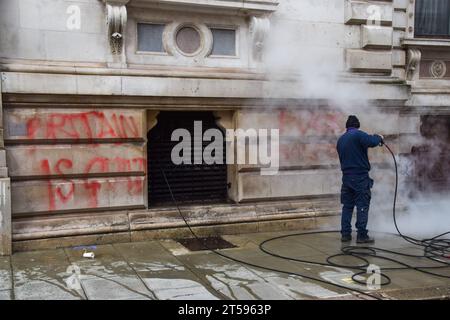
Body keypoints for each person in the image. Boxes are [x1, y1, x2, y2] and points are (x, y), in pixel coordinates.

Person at [336, 115, 384, 244]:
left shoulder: (341, 140)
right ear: (357, 126)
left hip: (346, 178)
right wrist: (379, 137)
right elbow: (372, 141)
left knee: (347, 206)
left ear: (347, 127)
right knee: (362, 205)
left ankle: (345, 234)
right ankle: (362, 235)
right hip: (360, 177)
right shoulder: (358, 135)